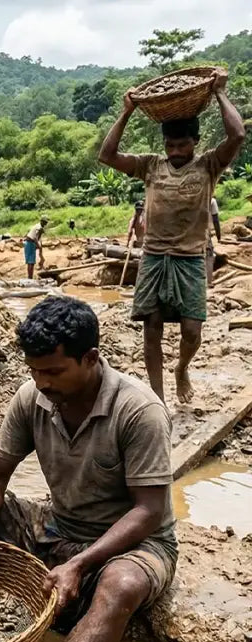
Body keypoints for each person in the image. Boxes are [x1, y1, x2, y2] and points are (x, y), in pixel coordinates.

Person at [0, 297, 176, 642]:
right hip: (58, 525)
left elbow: (148, 511)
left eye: (54, 372)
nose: (43, 382)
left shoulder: (139, 411)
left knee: (122, 585)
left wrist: (78, 564)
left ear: (90, 358)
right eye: (35, 371)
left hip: (131, 543)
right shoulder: (33, 396)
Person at [98, 69, 245, 403]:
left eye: (182, 145)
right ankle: (157, 397)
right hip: (153, 257)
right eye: (170, 145)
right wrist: (126, 111)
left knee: (192, 329)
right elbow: (107, 156)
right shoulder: (151, 166)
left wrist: (220, 92)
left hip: (191, 257)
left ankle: (181, 368)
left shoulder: (209, 165)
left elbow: (236, 135)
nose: (176, 151)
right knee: (152, 326)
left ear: (195, 143)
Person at [207, 197, 221, 287]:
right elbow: (215, 220)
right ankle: (208, 281)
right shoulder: (212, 200)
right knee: (209, 256)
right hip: (203, 234)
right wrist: (218, 235)